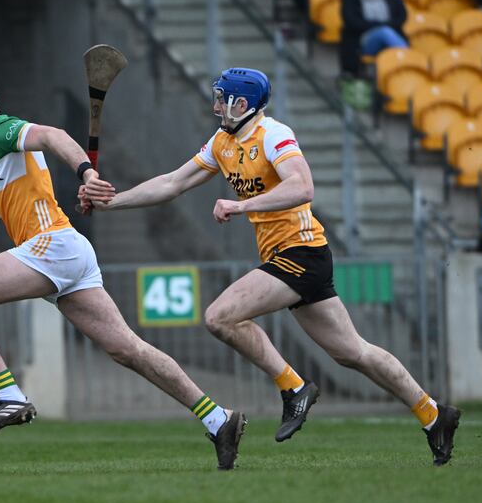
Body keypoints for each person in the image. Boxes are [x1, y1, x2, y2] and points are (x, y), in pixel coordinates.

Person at [80, 67, 461, 466]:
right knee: (354, 353)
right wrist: (113, 202)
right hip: (292, 257)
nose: (214, 106)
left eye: (220, 98)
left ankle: (294, 387)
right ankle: (434, 415)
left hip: (301, 253)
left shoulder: (273, 135)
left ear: (241, 104)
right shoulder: (223, 142)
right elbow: (172, 182)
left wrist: (240, 206)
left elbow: (303, 187)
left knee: (220, 317)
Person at [0, 72, 246, 470]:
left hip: (51, 246)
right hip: (62, 251)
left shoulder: (0, 129)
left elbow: (54, 135)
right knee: (127, 350)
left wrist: (87, 173)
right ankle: (219, 419)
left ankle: (10, 396)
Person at [340, 0, 408, 78]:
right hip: (362, 40)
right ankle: (408, 61)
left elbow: (402, 16)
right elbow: (352, 21)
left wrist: (386, 25)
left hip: (389, 36)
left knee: (386, 32)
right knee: (384, 32)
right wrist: (380, 25)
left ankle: (406, 67)